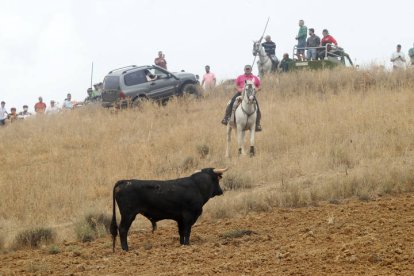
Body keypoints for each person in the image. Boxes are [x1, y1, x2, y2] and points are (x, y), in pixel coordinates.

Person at [221, 65, 262, 131]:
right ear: (244, 70)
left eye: (248, 69)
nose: (247, 70)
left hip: (251, 95)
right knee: (231, 102)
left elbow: (259, 86)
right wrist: (239, 89)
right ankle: (226, 118)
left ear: (251, 70)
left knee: (257, 107)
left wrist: (256, 89)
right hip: (240, 93)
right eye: (246, 69)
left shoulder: (255, 78)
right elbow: (235, 85)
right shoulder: (240, 77)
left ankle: (257, 124)